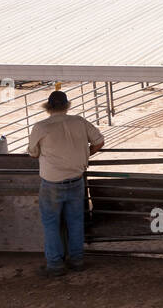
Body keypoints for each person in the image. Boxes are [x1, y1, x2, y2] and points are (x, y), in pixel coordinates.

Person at [26, 90, 106, 275]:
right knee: (75, 221)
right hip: (76, 179)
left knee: (51, 223)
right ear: (66, 105)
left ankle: (55, 264)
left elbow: (33, 153)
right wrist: (86, 153)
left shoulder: (41, 127)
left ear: (48, 107)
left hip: (52, 182)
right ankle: (77, 260)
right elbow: (99, 141)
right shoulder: (79, 122)